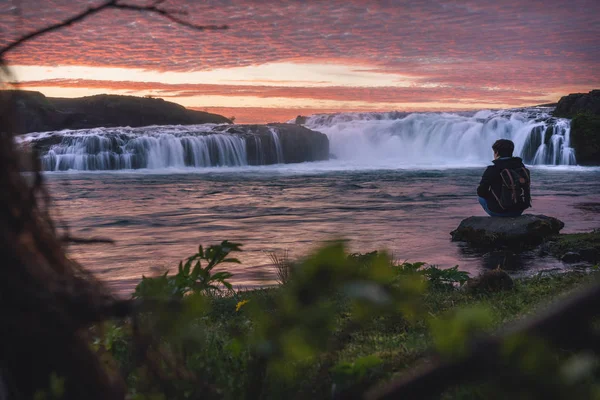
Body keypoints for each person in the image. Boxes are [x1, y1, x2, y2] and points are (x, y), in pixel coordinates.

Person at [477, 139, 531, 217]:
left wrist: (490, 195)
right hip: (519, 210)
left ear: (497, 152)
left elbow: (481, 191)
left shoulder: (492, 169)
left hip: (499, 211)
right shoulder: (521, 167)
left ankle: (498, 217)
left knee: (481, 198)